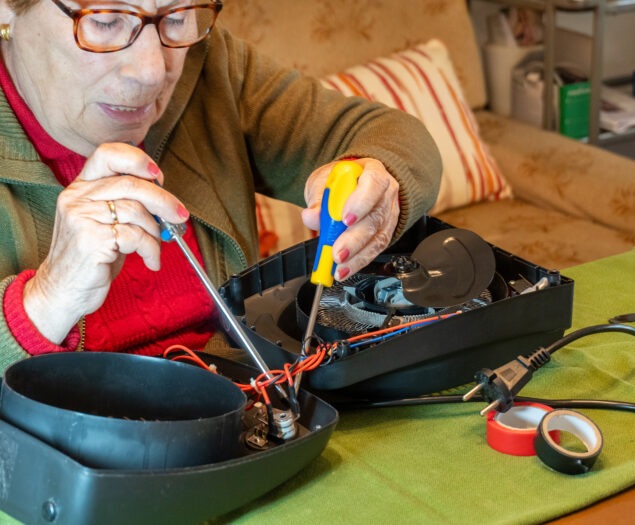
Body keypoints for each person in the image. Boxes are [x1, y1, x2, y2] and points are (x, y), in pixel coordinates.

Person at [0, 0, 441, 372]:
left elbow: (392, 136)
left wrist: (377, 183)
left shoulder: (210, 65)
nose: (153, 72)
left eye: (176, 16)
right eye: (106, 20)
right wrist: (44, 302)